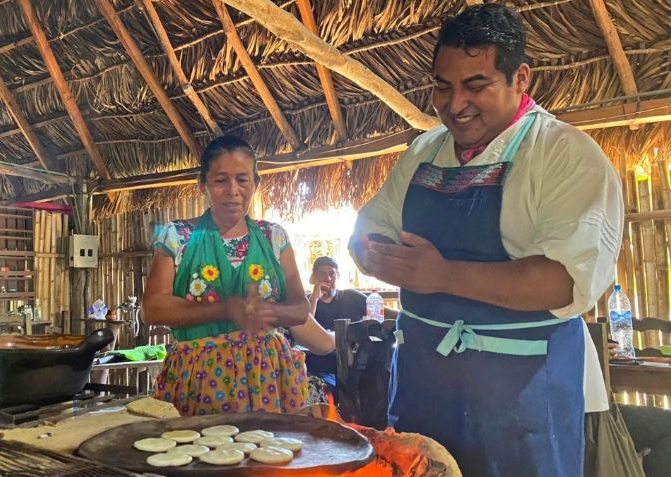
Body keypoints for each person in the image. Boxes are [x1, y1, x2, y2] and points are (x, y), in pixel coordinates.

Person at [348, 4, 623, 476]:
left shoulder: (563, 154)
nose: (455, 105)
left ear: (520, 79)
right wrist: (371, 251)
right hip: (422, 389)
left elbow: (563, 282)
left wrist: (443, 276)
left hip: (524, 401)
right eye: (442, 86)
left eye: (476, 86)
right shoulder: (423, 152)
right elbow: (366, 229)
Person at [142, 135, 311, 416]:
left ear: (256, 183)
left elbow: (300, 309)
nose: (233, 190)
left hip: (266, 377)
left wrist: (267, 311)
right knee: (197, 453)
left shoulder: (273, 237)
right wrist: (227, 309)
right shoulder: (178, 236)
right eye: (221, 180)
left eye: (242, 180)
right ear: (203, 184)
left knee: (267, 454)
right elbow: (152, 309)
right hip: (198, 380)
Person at [304, 256, 366, 391]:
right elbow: (305, 324)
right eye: (322, 274)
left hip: (354, 367)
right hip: (320, 369)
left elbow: (381, 311)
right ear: (314, 278)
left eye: (332, 273)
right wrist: (314, 297)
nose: (328, 278)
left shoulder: (351, 296)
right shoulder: (308, 304)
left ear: (337, 276)